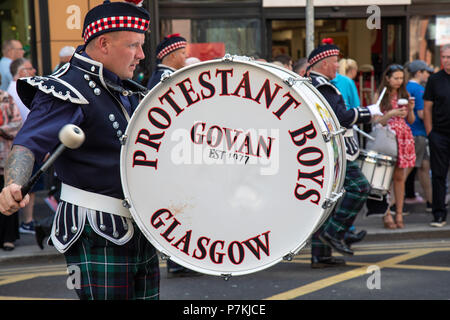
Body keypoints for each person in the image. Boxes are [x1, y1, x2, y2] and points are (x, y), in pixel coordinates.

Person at [0, 0, 159, 300]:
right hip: (95, 232)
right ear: (104, 43)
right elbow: (27, 144)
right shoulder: (66, 89)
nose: (141, 55)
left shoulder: (125, 89)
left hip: (140, 230)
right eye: (134, 45)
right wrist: (13, 183)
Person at [308, 41, 374, 268]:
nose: (337, 65)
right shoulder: (323, 86)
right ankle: (335, 233)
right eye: (335, 61)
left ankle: (321, 255)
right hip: (335, 152)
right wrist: (370, 112)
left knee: (329, 202)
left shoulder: (318, 83)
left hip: (327, 151)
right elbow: (341, 118)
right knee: (360, 187)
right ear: (324, 63)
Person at [146, 34, 199, 277]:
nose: (185, 57)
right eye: (183, 53)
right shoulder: (167, 79)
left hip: (172, 155)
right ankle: (178, 260)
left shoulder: (161, 78)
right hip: (174, 156)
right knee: (180, 210)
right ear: (172, 55)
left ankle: (180, 260)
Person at [373, 64, 416, 229]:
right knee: (384, 179)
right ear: (387, 78)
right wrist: (390, 114)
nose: (399, 81)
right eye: (396, 78)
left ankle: (398, 213)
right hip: (387, 138)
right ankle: (386, 213)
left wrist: (410, 110)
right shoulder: (380, 95)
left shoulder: (405, 94)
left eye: (401, 78)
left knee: (399, 178)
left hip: (404, 138)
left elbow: (410, 121)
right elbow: (376, 121)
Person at [6, 58, 39, 234]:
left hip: (16, 147)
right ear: (21, 72)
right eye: (29, 68)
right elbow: (30, 122)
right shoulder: (20, 91)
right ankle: (28, 221)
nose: (33, 70)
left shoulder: (10, 91)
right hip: (25, 148)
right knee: (28, 189)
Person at [423, 43, 450, 228]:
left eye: (449, 57)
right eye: (445, 57)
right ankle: (439, 214)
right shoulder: (434, 79)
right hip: (439, 135)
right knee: (439, 176)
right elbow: (427, 107)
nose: (447, 60)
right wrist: (430, 132)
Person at [405, 60, 433, 213]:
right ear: (418, 73)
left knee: (423, 167)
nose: (428, 75)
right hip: (418, 134)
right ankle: (394, 205)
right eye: (426, 72)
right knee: (409, 169)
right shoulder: (420, 90)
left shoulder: (406, 87)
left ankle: (431, 202)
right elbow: (423, 114)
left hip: (410, 132)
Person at [0, 89, 23, 251]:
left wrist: (1, 129)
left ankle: (9, 238)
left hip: (5, 158)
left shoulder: (6, 97)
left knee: (9, 195)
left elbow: (17, 123)